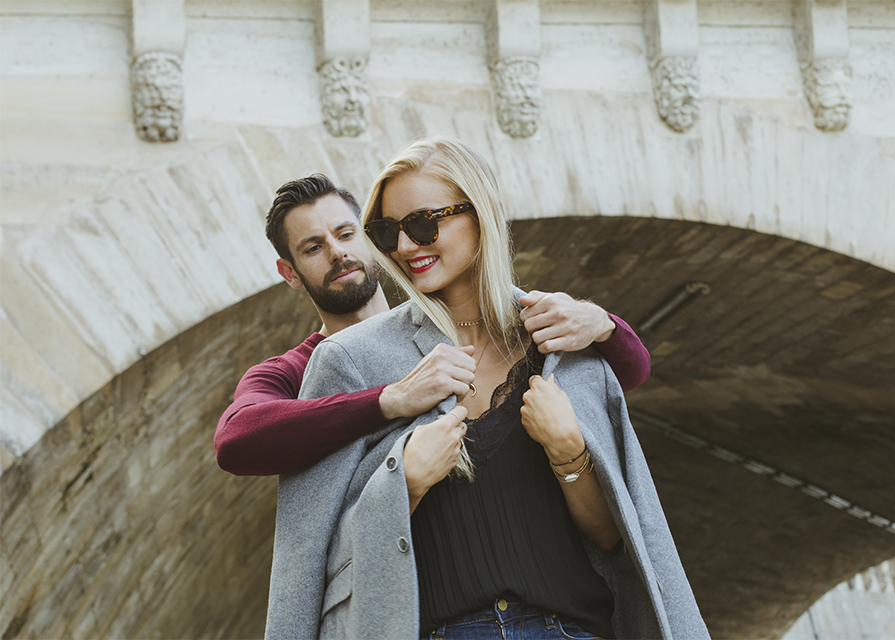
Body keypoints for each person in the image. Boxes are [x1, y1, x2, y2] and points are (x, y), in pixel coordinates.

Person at [265, 139, 708, 639]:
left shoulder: (569, 344)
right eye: (388, 232)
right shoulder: (352, 361)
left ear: (482, 214)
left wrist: (569, 453)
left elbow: (612, 540)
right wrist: (402, 482)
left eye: (424, 223)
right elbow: (309, 558)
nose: (407, 247)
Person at [214, 174, 650, 476]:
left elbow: (626, 375)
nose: (337, 253)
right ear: (289, 272)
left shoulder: (455, 322)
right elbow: (236, 439)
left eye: (346, 235)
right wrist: (391, 399)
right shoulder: (294, 369)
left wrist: (601, 323)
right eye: (312, 247)